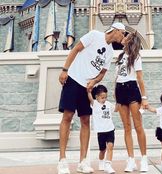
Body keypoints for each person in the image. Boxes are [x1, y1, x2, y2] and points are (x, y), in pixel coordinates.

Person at [57, 22, 126, 174]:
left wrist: (94, 81)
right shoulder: (94, 35)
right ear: (115, 30)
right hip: (73, 79)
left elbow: (102, 73)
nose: (123, 36)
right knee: (67, 116)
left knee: (86, 120)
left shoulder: (109, 52)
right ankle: (62, 161)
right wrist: (65, 70)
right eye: (122, 33)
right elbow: (75, 49)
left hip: (87, 87)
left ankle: (83, 161)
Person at [114, 31, 149, 172]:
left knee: (138, 125)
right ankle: (131, 160)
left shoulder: (136, 56)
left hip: (132, 88)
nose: (124, 38)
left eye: (126, 37)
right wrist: (116, 99)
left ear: (131, 40)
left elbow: (140, 78)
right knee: (126, 127)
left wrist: (144, 98)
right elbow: (116, 78)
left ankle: (144, 159)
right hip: (120, 90)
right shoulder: (120, 56)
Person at [87, 85, 117, 174]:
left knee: (110, 146)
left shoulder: (108, 104)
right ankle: (101, 161)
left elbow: (116, 109)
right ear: (97, 97)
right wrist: (89, 91)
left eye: (105, 97)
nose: (104, 99)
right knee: (102, 150)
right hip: (101, 131)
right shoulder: (94, 104)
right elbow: (90, 98)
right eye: (102, 97)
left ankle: (108, 165)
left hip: (110, 129)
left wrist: (117, 100)